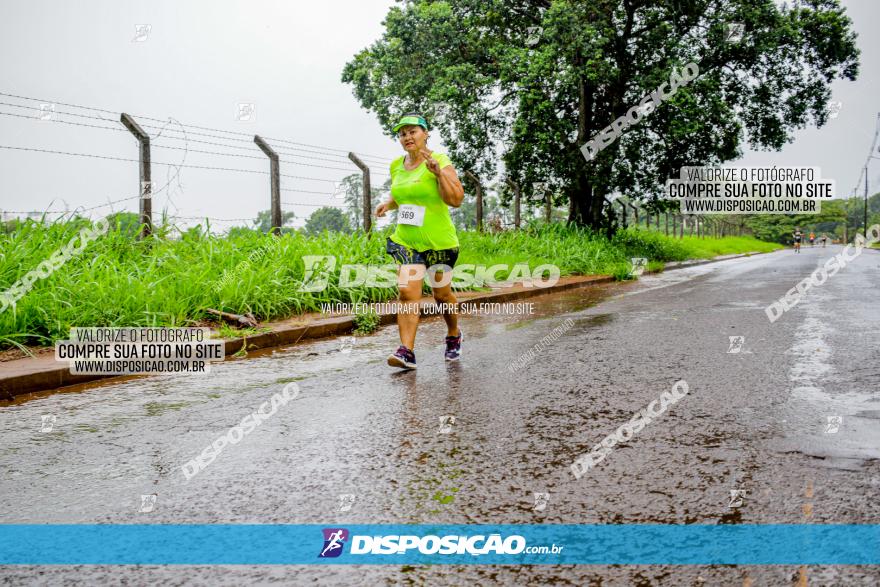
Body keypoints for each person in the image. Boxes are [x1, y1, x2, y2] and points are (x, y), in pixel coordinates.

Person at [375, 113, 465, 370]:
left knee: (442, 295)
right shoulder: (396, 165)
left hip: (439, 243)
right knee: (407, 292)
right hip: (406, 240)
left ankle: (453, 334)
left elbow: (456, 199)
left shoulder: (440, 161)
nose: (407, 137)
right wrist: (388, 204)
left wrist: (438, 175)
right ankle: (406, 351)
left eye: (412, 131)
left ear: (425, 134)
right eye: (402, 133)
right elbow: (403, 193)